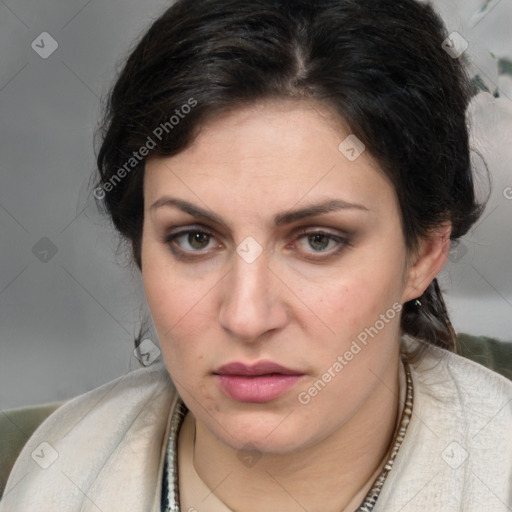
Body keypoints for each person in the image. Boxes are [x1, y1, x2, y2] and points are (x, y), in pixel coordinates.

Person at [1, 0, 511, 510]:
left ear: (422, 253)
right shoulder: (30, 476)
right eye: (195, 238)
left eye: (318, 240)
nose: (246, 317)